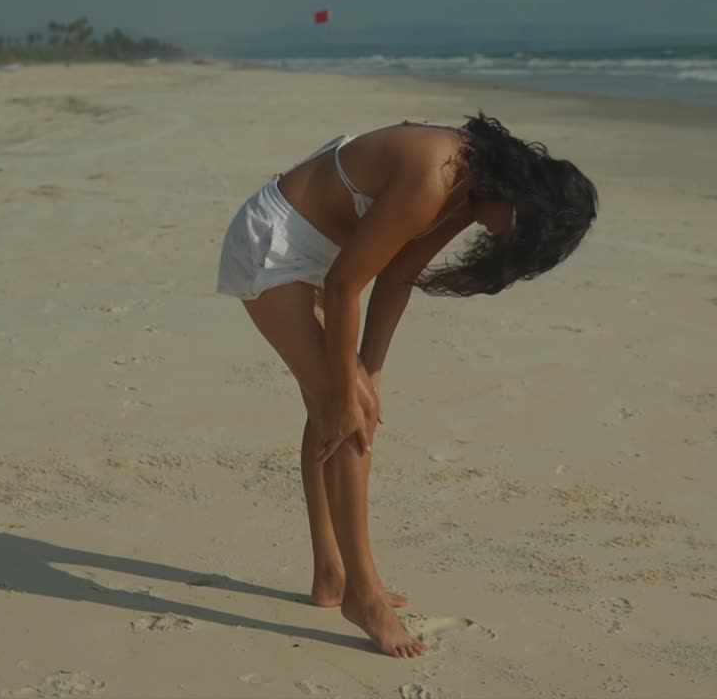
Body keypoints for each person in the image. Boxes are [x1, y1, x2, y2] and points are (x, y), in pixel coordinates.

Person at [215, 112, 599, 658]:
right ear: (519, 198)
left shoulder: (473, 187)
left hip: (322, 254)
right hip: (274, 245)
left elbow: (399, 272)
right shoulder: (436, 175)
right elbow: (347, 283)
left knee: (351, 402)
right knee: (343, 407)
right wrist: (349, 392)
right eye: (515, 232)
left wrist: (371, 370)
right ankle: (362, 596)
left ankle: (331, 574)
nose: (499, 237)